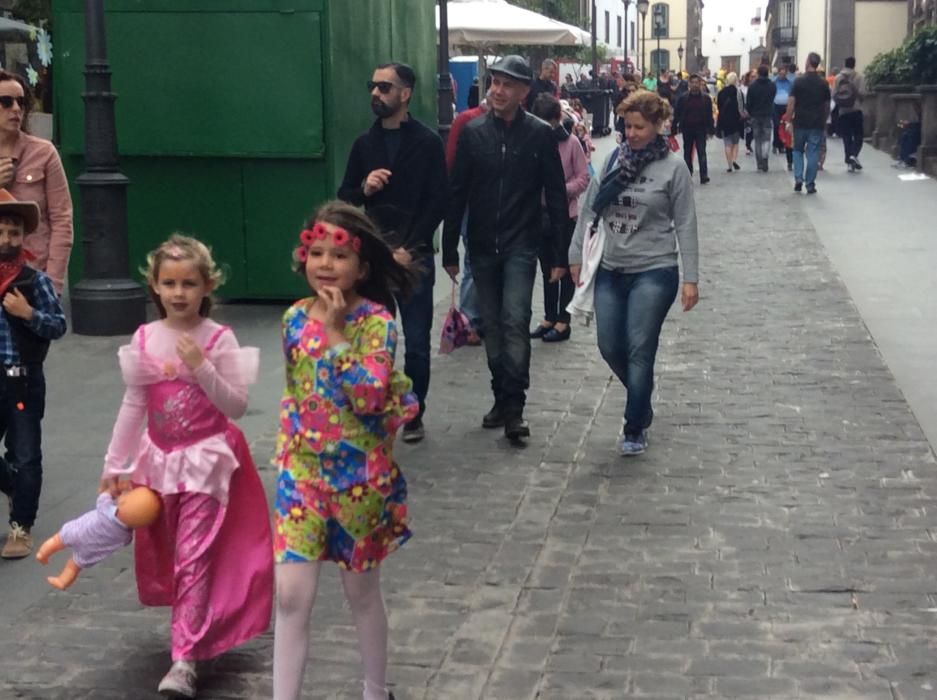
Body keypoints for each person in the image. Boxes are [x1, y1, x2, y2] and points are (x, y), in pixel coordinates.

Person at [99, 235, 273, 698]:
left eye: (189, 283)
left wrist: (203, 368)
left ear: (206, 285)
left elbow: (236, 406)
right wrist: (116, 463)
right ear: (154, 285)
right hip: (158, 464)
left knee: (194, 556)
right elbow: (135, 402)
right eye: (169, 283)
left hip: (207, 463)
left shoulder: (219, 338)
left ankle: (185, 660)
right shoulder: (144, 338)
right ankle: (196, 629)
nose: (178, 293)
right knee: (174, 553)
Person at [272, 201, 418, 700]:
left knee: (360, 592)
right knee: (291, 596)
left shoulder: (377, 324)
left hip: (359, 481)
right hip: (302, 476)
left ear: (363, 267)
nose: (326, 265)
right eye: (317, 253)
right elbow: (295, 389)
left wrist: (336, 335)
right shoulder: (292, 319)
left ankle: (376, 689)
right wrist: (288, 449)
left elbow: (370, 395)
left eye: (338, 255)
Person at [442, 55, 567, 442]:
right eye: (494, 82)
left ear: (524, 92)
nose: (497, 90)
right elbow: (457, 192)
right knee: (492, 324)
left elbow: (556, 195)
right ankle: (500, 394)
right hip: (480, 244)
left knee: (514, 320)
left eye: (507, 84)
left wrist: (560, 255)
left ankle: (515, 407)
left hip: (521, 243)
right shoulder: (474, 132)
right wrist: (448, 249)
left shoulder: (540, 135)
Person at [569, 91, 699, 456]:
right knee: (609, 345)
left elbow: (686, 223)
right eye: (627, 126)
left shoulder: (674, 168)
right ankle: (642, 401)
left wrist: (691, 277)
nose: (631, 134)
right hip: (611, 267)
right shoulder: (614, 160)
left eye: (639, 127)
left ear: (659, 126)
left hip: (655, 269)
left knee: (640, 348)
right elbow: (590, 211)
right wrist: (575, 252)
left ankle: (633, 426)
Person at [337, 62, 448, 444]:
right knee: (374, 340)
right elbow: (344, 197)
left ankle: (414, 411)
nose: (376, 94)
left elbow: (438, 202)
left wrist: (410, 246)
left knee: (417, 341)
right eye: (373, 86)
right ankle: (376, 407)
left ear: (405, 94)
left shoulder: (427, 142)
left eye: (385, 87)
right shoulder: (364, 145)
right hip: (373, 260)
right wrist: (363, 189)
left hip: (413, 255)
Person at [0, 190, 66, 560]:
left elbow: (58, 326)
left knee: (25, 453)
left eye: (13, 233)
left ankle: (21, 527)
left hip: (23, 378)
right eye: (1, 232)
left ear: (23, 237)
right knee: (17, 467)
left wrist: (28, 314)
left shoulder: (33, 281)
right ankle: (12, 484)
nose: (6, 240)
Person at [0, 71, 73, 296]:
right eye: (5, 101)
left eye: (21, 102)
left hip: (33, 275)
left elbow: (62, 219)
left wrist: (53, 284)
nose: (16, 108)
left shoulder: (43, 152)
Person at [529, 94, 589, 344]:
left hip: (566, 214)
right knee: (546, 268)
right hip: (539, 214)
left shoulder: (571, 142)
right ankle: (549, 316)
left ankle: (564, 319)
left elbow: (583, 177)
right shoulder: (532, 141)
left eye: (549, 123)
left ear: (557, 120)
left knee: (563, 267)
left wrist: (559, 190)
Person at [786, 52, 831, 194]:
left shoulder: (798, 81)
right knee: (813, 153)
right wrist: (824, 120)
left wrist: (788, 118)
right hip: (816, 122)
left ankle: (798, 178)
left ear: (807, 62)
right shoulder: (823, 83)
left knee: (798, 150)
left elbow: (792, 102)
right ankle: (810, 184)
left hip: (800, 121)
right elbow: (827, 105)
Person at [673, 74, 715, 184]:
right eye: (693, 83)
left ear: (700, 84)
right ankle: (688, 173)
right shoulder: (683, 98)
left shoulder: (706, 98)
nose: (695, 85)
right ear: (689, 84)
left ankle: (704, 175)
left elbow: (709, 115)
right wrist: (674, 127)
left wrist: (711, 130)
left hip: (701, 128)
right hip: (687, 128)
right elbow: (677, 113)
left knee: (702, 152)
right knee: (687, 152)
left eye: (697, 83)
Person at [834, 56, 865, 172]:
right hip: (856, 109)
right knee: (858, 135)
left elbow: (834, 94)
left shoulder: (838, 78)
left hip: (843, 111)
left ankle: (849, 161)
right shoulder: (860, 77)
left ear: (844, 64)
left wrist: (841, 102)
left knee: (846, 137)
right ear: (854, 64)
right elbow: (863, 93)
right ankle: (854, 155)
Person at [746, 64, 778, 172]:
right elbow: (773, 97)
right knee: (766, 139)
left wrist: (750, 114)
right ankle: (765, 158)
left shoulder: (752, 86)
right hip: (768, 115)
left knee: (757, 140)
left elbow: (749, 103)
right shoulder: (772, 85)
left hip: (755, 115)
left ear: (759, 73)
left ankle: (759, 162)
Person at [716, 72, 745, 173]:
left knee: (727, 143)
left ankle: (729, 165)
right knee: (735, 143)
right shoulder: (739, 92)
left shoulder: (721, 92)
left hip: (724, 120)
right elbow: (741, 107)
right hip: (736, 120)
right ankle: (734, 160)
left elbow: (719, 106)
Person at [772, 65, 795, 157]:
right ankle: (775, 144)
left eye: (784, 73)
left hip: (786, 106)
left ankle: (782, 144)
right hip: (776, 105)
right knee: (776, 125)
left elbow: (791, 94)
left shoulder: (789, 83)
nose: (782, 75)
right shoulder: (774, 82)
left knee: (785, 125)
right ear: (778, 73)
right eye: (781, 73)